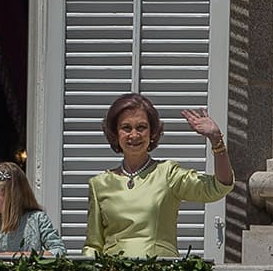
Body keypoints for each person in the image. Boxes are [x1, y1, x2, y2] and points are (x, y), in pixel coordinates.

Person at [82, 92, 234, 257]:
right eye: (126, 128)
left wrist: (216, 139)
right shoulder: (99, 184)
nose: (134, 135)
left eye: (141, 127)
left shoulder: (168, 174)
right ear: (115, 133)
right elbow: (93, 246)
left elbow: (219, 186)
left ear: (152, 132)